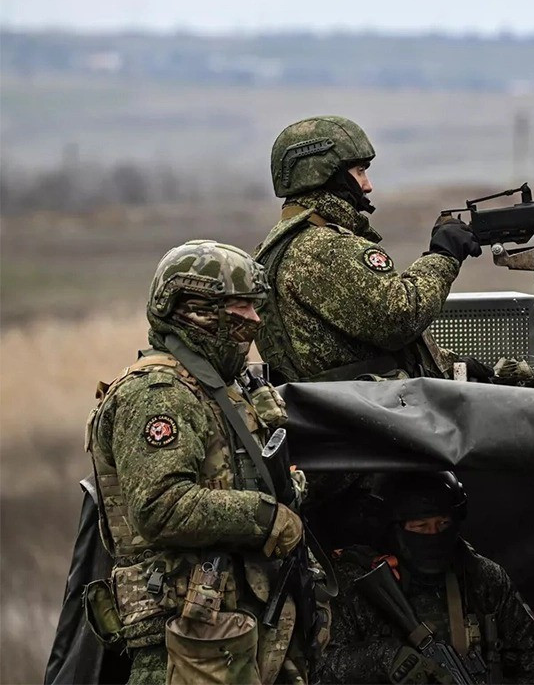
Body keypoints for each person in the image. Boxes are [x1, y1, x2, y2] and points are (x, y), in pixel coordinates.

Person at [84, 240, 327, 683]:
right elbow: (162, 506)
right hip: (184, 644)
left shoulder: (225, 388)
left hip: (241, 629)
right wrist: (265, 516)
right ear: (194, 310)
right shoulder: (158, 394)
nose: (254, 320)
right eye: (240, 308)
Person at [254, 115, 482, 385]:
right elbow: (400, 318)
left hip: (344, 401)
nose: (367, 185)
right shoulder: (324, 248)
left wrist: (450, 365)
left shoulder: (283, 243)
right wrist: (444, 255)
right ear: (326, 174)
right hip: (364, 406)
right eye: (360, 171)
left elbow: (353, 346)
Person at [316, 472, 534, 684]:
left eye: (443, 524)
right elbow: (318, 667)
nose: (433, 534)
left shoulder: (483, 578)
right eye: (420, 527)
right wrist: (382, 657)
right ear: (393, 529)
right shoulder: (357, 582)